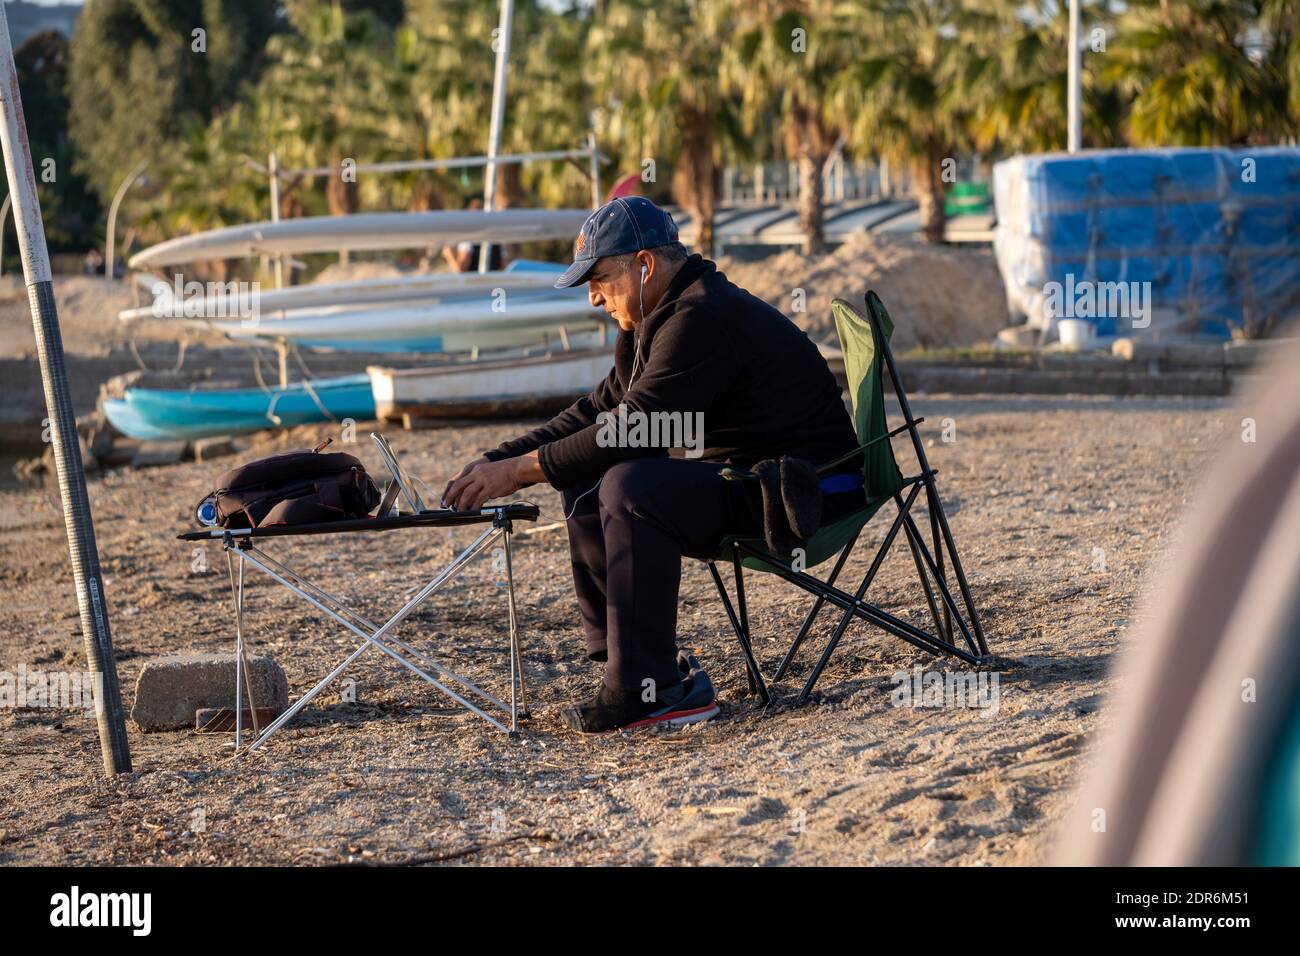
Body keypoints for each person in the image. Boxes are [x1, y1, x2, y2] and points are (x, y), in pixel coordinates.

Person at [441, 197, 865, 732]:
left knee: (630, 485)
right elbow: (596, 411)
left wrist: (522, 472)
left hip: (805, 495)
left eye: (598, 278)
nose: (593, 298)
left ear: (644, 266)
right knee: (592, 475)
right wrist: (496, 461)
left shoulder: (701, 315)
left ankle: (655, 689)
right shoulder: (655, 318)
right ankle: (628, 667)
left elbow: (633, 425)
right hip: (757, 483)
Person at [441, 196, 505, 272]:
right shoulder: (496, 241)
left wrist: (449, 255)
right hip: (493, 282)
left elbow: (461, 269)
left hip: (474, 282)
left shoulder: (469, 239)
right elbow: (504, 266)